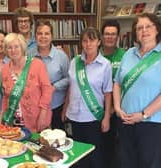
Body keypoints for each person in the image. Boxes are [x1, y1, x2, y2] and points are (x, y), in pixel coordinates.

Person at [113, 13, 161, 168]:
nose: (144, 31)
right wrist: (117, 108)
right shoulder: (128, 53)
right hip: (125, 121)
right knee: (126, 163)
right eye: (139, 28)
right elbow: (117, 83)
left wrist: (144, 114)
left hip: (151, 124)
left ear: (157, 29)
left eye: (148, 26)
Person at [62, 27, 113, 168]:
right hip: (74, 117)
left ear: (98, 42)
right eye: (85, 41)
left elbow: (108, 93)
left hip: (93, 117)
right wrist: (65, 108)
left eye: (92, 40)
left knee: (95, 156)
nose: (88, 44)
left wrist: (107, 117)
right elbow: (71, 87)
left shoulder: (105, 65)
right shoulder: (74, 62)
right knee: (77, 156)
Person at [0, 33, 54, 132]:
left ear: (22, 47)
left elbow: (47, 90)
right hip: (13, 123)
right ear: (6, 50)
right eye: (9, 48)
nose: (13, 50)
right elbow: (5, 97)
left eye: (16, 46)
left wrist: (43, 114)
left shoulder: (37, 65)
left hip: (37, 121)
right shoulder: (4, 70)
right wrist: (2, 118)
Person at [28, 19, 69, 130]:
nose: (43, 37)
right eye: (39, 33)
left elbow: (69, 78)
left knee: (56, 143)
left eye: (47, 33)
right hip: (34, 107)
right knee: (36, 142)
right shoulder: (28, 55)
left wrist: (54, 87)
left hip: (56, 105)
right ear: (35, 36)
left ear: (51, 36)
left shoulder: (61, 56)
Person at [101, 19, 125, 168]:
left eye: (113, 34)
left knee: (113, 145)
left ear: (118, 37)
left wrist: (112, 109)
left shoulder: (125, 56)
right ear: (102, 36)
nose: (110, 37)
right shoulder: (94, 54)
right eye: (106, 34)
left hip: (117, 108)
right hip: (95, 107)